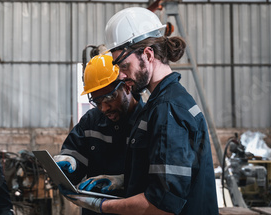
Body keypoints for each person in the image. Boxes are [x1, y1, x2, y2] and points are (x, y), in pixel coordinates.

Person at [63, 7, 218, 214]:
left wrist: (101, 205)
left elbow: (162, 205)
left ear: (147, 54)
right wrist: (121, 180)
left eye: (125, 66)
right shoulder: (161, 105)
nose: (123, 76)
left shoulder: (167, 109)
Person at [54, 54, 143, 215]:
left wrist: (122, 181)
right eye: (97, 101)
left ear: (127, 87)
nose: (104, 108)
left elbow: (157, 181)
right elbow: (75, 151)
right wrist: (69, 161)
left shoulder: (147, 121)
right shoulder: (91, 120)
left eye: (109, 98)